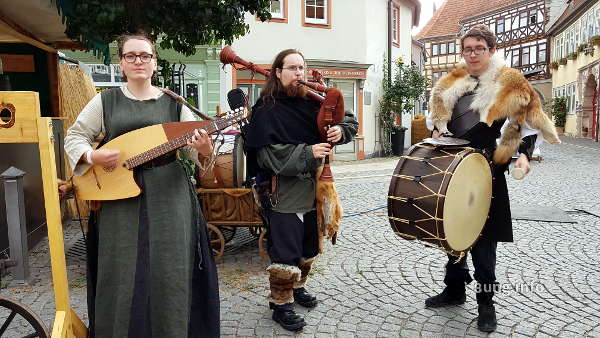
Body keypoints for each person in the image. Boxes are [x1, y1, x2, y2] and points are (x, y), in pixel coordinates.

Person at [64, 33, 219, 337]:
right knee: (121, 266)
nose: (138, 61)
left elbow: (194, 149)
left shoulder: (175, 104)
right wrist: (92, 155)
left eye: (145, 56)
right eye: (131, 55)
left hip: (169, 194)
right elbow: (74, 136)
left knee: (170, 266)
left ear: (154, 63)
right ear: (121, 62)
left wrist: (204, 150)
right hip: (119, 195)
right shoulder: (105, 100)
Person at [425, 24, 541, 333]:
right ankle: (454, 289)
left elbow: (526, 127)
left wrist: (524, 156)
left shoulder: (509, 84)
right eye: (467, 48)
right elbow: (436, 119)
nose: (472, 53)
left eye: (479, 48)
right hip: (452, 166)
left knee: (484, 240)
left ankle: (486, 303)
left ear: (491, 50)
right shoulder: (449, 83)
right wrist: (437, 130)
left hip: (487, 168)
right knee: (451, 230)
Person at [243, 49, 358, 331]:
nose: (298, 74)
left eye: (301, 68)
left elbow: (348, 118)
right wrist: (308, 152)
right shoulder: (267, 109)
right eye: (292, 68)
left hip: (315, 189)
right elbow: (267, 155)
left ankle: (297, 286)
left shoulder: (311, 101)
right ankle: (281, 303)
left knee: (309, 243)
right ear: (278, 73)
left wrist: (341, 131)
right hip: (283, 191)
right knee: (285, 248)